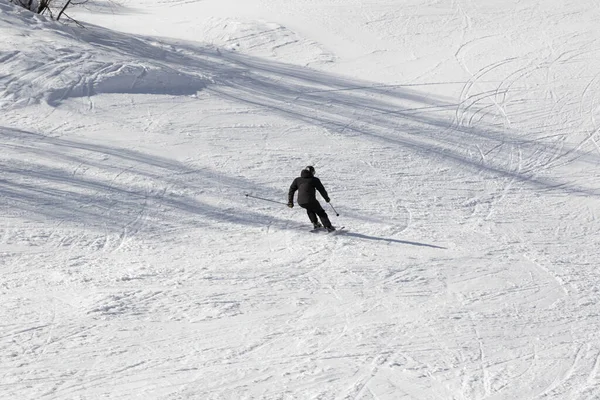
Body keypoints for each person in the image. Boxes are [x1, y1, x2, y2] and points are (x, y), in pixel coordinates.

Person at [288, 166, 335, 231]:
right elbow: (321, 190)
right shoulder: (314, 180)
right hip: (311, 200)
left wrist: (290, 202)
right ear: (312, 172)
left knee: (309, 209)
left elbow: (291, 190)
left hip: (301, 202)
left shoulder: (297, 180)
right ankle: (328, 227)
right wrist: (326, 198)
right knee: (320, 212)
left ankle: (315, 223)